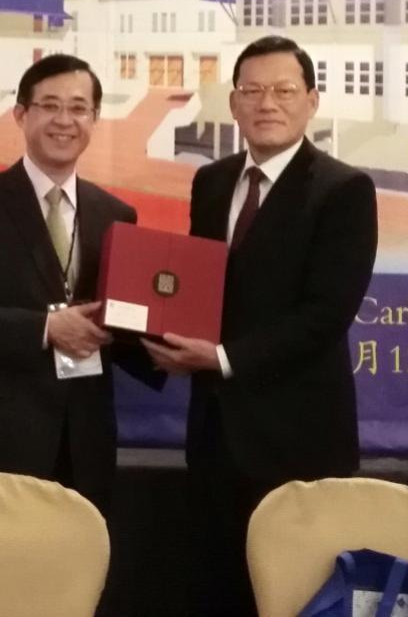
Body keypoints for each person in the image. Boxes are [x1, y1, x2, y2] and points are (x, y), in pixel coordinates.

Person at [143, 36, 379, 617]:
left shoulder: (344, 190)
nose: (266, 103)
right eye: (251, 91)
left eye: (282, 91)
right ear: (233, 103)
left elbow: (326, 314)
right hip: (216, 434)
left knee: (297, 594)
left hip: (299, 437)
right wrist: (158, 329)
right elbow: (197, 286)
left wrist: (221, 358)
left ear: (312, 101)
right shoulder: (212, 182)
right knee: (217, 586)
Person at [0, 54, 162, 513]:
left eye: (78, 108)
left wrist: (167, 342)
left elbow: (121, 320)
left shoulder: (115, 215)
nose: (64, 120)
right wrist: (46, 329)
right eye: (50, 106)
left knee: (76, 578)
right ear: (20, 114)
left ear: (94, 118)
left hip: (85, 443)